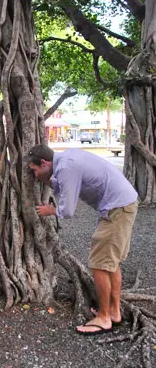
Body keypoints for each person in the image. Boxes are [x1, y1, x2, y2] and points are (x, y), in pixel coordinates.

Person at [27, 144, 138, 336]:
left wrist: (50, 210)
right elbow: (63, 185)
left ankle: (104, 318)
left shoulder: (66, 167)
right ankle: (114, 311)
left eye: (35, 170)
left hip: (116, 209)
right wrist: (46, 180)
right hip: (122, 204)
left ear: (44, 163)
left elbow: (67, 211)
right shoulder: (66, 160)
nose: (35, 175)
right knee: (110, 263)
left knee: (100, 265)